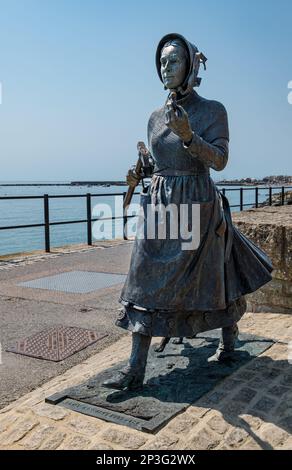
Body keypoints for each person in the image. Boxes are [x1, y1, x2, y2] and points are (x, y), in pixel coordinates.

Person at [103, 33, 273, 391]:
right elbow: (161, 163)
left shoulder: (213, 110)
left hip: (198, 202)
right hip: (161, 204)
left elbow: (221, 160)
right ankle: (135, 368)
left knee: (215, 276)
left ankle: (229, 341)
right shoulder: (153, 117)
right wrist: (141, 172)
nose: (166, 68)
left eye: (174, 61)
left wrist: (189, 136)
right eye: (162, 62)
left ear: (191, 65)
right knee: (143, 278)